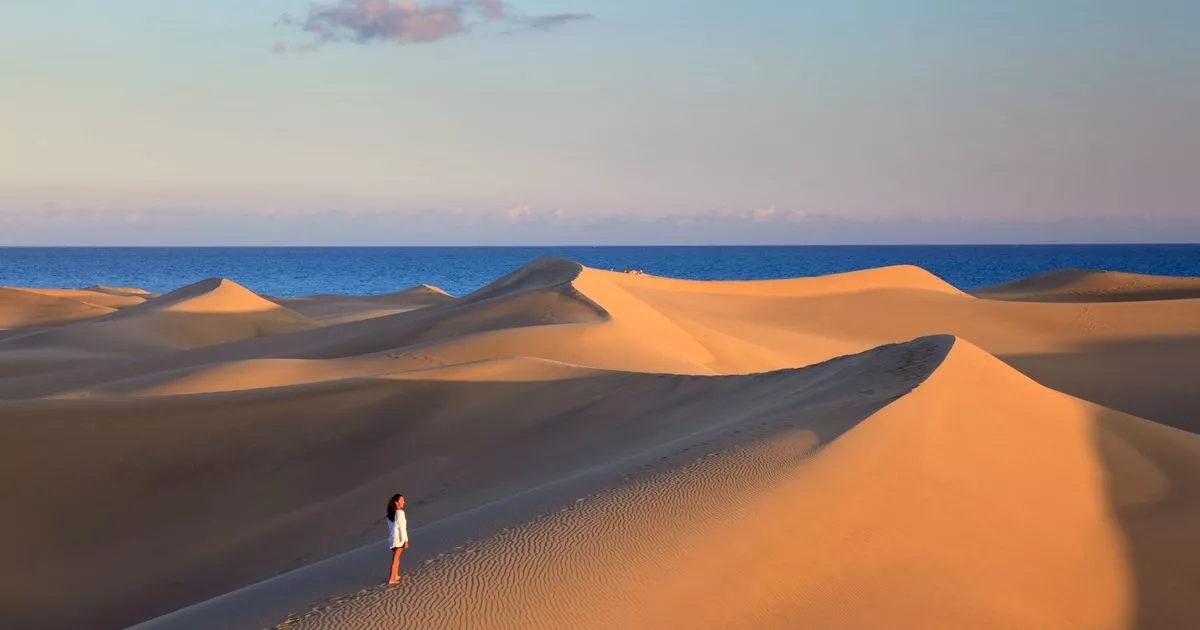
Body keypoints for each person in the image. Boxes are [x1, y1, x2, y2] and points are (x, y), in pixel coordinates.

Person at [386, 493, 409, 585]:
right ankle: (392, 578)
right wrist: (405, 540)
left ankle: (395, 575)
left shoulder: (390, 514)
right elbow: (402, 528)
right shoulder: (400, 513)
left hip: (392, 539)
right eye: (402, 500)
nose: (403, 502)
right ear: (396, 502)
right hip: (399, 539)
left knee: (397, 558)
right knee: (395, 558)